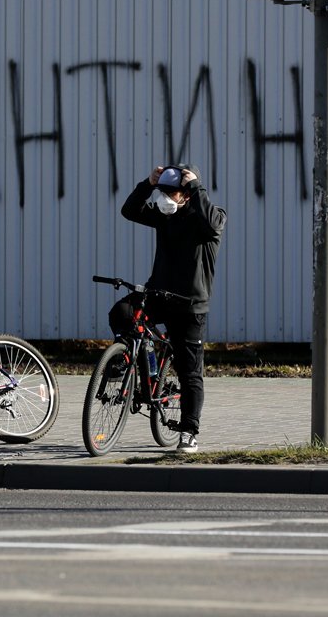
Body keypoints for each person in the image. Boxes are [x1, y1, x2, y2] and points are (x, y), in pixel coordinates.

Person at [111, 164, 226, 453]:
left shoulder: (210, 218)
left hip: (189, 306)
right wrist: (148, 184)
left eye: (170, 192)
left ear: (187, 194)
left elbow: (212, 224)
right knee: (122, 312)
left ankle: (189, 432)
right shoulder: (164, 218)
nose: (164, 198)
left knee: (189, 372)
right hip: (158, 295)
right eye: (162, 191)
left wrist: (196, 186)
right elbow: (129, 210)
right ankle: (135, 360)